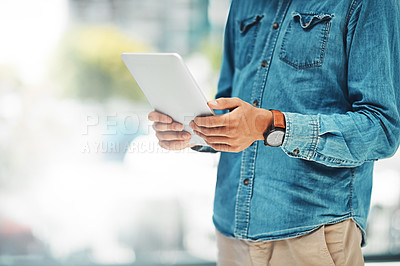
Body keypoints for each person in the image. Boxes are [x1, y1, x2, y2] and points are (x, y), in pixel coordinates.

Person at [148, 0, 400, 265]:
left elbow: (382, 127)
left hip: (313, 232)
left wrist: (272, 125)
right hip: (231, 232)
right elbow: (230, 106)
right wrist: (192, 130)